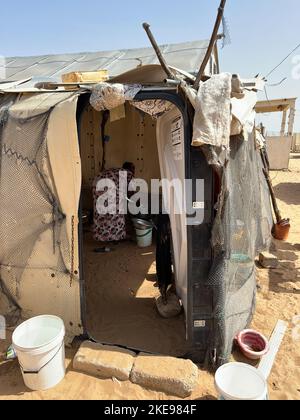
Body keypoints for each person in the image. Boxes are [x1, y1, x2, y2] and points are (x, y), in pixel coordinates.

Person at [92, 162, 135, 242]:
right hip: (109, 189)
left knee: (101, 212)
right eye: (133, 168)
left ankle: (101, 236)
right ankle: (117, 237)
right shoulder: (128, 173)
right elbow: (131, 193)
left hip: (96, 184)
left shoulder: (116, 171)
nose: (134, 171)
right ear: (130, 169)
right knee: (116, 212)